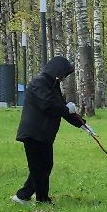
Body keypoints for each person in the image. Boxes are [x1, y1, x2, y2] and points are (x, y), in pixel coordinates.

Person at [13, 56, 87, 204]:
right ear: (57, 70)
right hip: (33, 133)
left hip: (44, 134)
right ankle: (26, 197)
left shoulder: (53, 85)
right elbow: (48, 105)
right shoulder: (39, 83)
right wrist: (66, 109)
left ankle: (35, 197)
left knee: (44, 166)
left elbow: (62, 109)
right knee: (38, 168)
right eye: (64, 74)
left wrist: (82, 124)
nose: (64, 77)